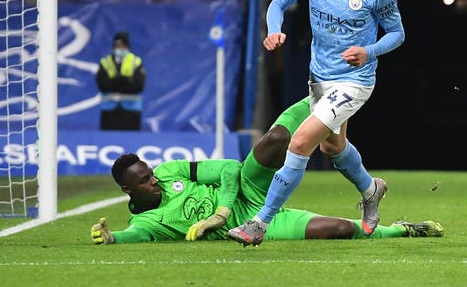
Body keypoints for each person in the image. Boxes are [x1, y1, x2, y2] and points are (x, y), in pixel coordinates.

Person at [227, 0, 405, 247]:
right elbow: (279, 2)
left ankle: (258, 224)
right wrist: (276, 29)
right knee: (332, 146)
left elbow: (397, 34)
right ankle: (371, 189)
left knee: (300, 142)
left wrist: (369, 50)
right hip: (319, 78)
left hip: (355, 81)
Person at [90, 98, 442, 245]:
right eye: (144, 181)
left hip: (245, 188)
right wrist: (110, 239)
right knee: (335, 229)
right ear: (128, 190)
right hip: (250, 221)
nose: (153, 181)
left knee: (276, 138)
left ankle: (327, 93)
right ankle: (403, 230)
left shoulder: (169, 172)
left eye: (150, 174)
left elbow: (229, 169)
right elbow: (130, 236)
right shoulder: (147, 224)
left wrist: (221, 210)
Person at [95, 31, 146, 131]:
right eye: (117, 46)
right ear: (113, 47)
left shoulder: (136, 62)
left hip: (131, 110)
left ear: (128, 47)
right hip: (109, 110)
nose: (120, 49)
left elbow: (139, 86)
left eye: (123, 46)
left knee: (130, 141)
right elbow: (102, 85)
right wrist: (121, 81)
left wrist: (117, 83)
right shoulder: (105, 62)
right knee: (107, 140)